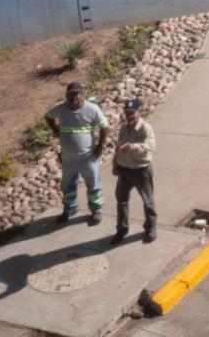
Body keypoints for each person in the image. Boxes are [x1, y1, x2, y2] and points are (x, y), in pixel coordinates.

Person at [44, 81, 107, 225]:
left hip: (88, 158)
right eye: (70, 95)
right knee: (68, 186)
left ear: (82, 94)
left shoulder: (92, 109)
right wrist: (54, 129)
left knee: (93, 185)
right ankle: (70, 209)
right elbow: (48, 116)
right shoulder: (60, 108)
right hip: (68, 159)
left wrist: (100, 147)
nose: (73, 97)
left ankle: (96, 210)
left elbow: (105, 127)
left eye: (76, 94)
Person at [111, 97, 158, 244]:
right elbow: (118, 147)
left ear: (139, 112)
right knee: (121, 200)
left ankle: (150, 228)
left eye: (132, 113)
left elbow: (150, 146)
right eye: (127, 112)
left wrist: (134, 147)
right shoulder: (124, 127)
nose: (129, 115)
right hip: (124, 171)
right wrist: (115, 164)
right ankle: (121, 229)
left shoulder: (145, 128)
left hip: (141, 171)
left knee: (148, 201)